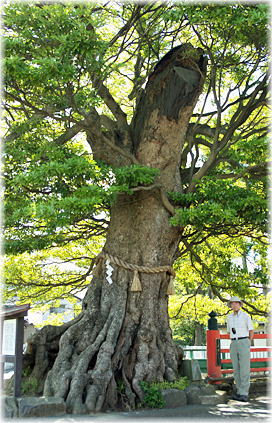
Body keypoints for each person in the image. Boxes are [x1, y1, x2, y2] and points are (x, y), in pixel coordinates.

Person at [226, 296, 254, 402]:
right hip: (233, 342)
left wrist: (248, 342)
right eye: (232, 303)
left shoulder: (246, 316)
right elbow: (229, 331)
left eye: (236, 303)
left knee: (244, 368)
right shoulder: (229, 317)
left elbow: (251, 330)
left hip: (243, 341)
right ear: (230, 305)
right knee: (236, 369)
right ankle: (239, 391)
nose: (234, 305)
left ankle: (244, 393)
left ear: (240, 304)